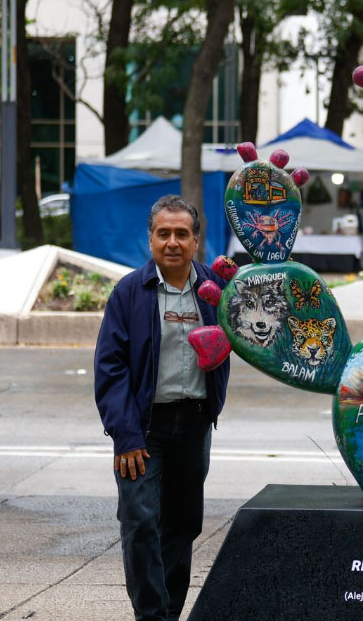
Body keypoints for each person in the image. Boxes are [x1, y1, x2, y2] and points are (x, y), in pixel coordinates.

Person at [95, 195, 230, 621]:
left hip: (194, 425)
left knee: (183, 524)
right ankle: (152, 616)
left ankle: (168, 614)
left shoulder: (215, 290)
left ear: (196, 241)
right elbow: (109, 369)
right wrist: (126, 435)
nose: (172, 242)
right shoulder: (129, 293)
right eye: (163, 233)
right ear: (150, 239)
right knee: (139, 524)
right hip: (143, 430)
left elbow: (251, 332)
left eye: (181, 234)